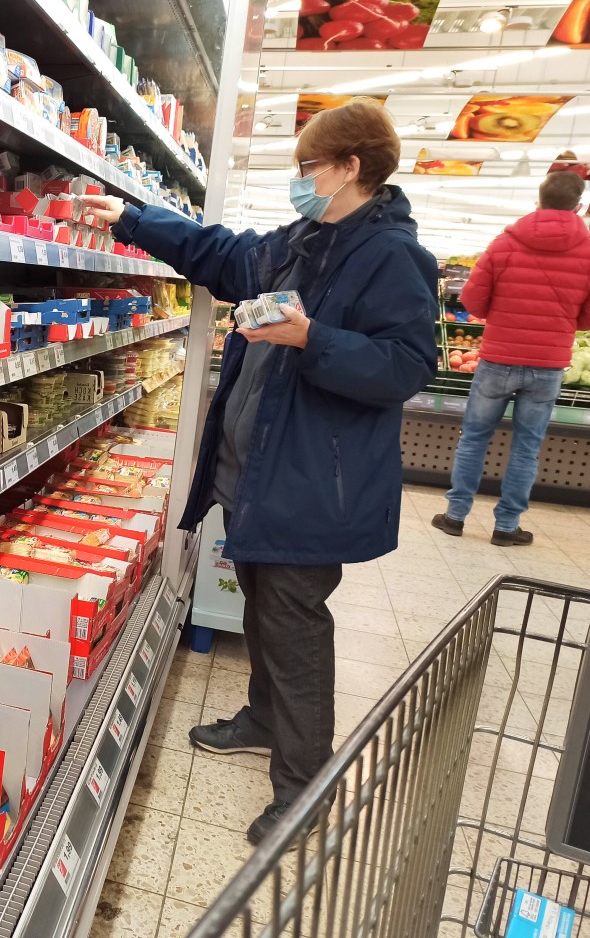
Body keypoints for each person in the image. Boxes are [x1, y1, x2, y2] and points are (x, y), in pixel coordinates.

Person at [82, 98, 438, 845]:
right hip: (257, 474)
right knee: (259, 604)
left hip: (313, 482)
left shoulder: (393, 256)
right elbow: (223, 254)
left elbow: (406, 368)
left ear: (350, 167)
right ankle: (261, 718)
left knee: (295, 626)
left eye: (308, 167)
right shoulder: (302, 241)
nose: (299, 180)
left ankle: (303, 792)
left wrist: (314, 338)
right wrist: (132, 217)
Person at [433, 170, 590, 546]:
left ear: (537, 202)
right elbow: (586, 316)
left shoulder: (505, 244)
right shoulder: (587, 251)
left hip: (498, 359)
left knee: (473, 439)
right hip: (549, 365)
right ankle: (507, 526)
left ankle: (455, 516)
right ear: (580, 206)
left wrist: (501, 314)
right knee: (527, 446)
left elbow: (471, 300)